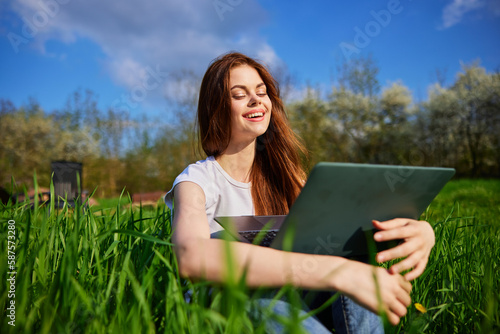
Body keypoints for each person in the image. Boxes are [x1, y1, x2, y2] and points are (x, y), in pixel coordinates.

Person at [165, 52, 435, 333]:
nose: (256, 99)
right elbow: (191, 255)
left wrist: (420, 231)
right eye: (238, 94)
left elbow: (343, 234)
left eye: (261, 92)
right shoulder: (196, 181)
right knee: (260, 295)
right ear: (215, 106)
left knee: (355, 258)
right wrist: (339, 273)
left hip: (295, 293)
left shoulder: (289, 178)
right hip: (229, 302)